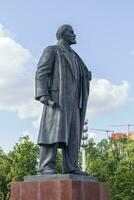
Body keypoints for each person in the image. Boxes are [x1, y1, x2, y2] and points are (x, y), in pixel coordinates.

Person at [35, 24, 92, 175]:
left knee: (73, 135)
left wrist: (85, 77)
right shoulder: (52, 50)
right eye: (71, 32)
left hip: (74, 102)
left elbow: (79, 75)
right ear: (62, 35)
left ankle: (71, 166)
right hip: (57, 100)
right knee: (52, 132)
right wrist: (43, 95)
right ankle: (47, 166)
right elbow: (42, 72)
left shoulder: (75, 56)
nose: (74, 35)